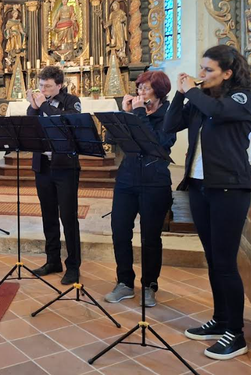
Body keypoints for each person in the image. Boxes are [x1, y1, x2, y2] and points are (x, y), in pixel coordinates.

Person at [164, 44, 251, 361]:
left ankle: (237, 334)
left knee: (226, 263)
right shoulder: (202, 100)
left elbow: (219, 112)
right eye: (201, 68)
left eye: (209, 70)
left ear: (227, 73)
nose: (201, 75)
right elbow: (169, 124)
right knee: (213, 259)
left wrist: (193, 90)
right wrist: (180, 93)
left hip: (230, 188)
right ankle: (221, 320)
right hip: (200, 187)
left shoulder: (240, 98)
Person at [103, 71, 175, 308]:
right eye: (139, 87)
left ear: (160, 90)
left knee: (150, 237)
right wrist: (124, 114)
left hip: (155, 181)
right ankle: (124, 282)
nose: (140, 92)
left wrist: (140, 113)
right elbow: (112, 140)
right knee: (119, 230)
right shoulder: (134, 111)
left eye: (146, 88)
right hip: (127, 179)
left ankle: (149, 285)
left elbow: (160, 143)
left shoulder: (169, 113)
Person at [26, 65, 82, 285]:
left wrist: (44, 105)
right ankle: (52, 259)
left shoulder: (71, 101)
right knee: (48, 215)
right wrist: (33, 108)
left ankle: (74, 266)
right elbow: (30, 127)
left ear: (59, 85)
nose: (43, 89)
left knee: (68, 217)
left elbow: (66, 124)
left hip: (65, 167)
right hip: (43, 165)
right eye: (41, 85)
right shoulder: (39, 103)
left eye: (48, 86)